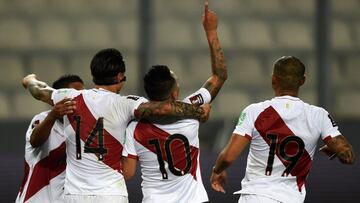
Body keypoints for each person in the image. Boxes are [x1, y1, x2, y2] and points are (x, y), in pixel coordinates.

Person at [22, 48, 210, 203]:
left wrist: (29, 79)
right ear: (120, 76)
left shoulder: (68, 96)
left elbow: (38, 90)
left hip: (74, 194)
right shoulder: (125, 104)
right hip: (111, 193)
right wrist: (198, 111)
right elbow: (162, 109)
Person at [210, 56, 355, 203]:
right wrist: (336, 150)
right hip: (290, 199)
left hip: (255, 197)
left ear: (273, 79)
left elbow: (228, 157)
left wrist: (217, 170)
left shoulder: (254, 112)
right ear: (303, 81)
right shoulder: (319, 116)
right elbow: (348, 156)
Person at [121, 2, 226, 203]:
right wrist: (211, 31)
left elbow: (128, 172)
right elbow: (219, 76)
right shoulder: (192, 109)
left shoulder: (134, 128)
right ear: (174, 94)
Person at [16, 75, 84, 203]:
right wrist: (52, 116)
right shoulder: (42, 119)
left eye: (82, 95)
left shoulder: (83, 128)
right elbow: (35, 141)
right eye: (75, 95)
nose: (80, 100)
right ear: (58, 97)